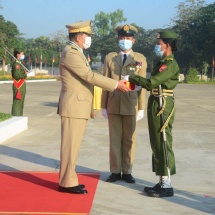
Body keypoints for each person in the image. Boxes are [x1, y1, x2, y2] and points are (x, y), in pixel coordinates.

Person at [57, 20, 130, 194]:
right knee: (70, 146)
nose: (89, 38)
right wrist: (115, 84)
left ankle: (69, 179)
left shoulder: (77, 52)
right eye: (88, 35)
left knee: (73, 146)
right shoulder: (71, 53)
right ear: (79, 36)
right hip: (73, 106)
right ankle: (66, 182)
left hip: (78, 106)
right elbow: (89, 76)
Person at [124, 31, 179, 197]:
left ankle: (167, 184)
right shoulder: (161, 63)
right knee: (156, 142)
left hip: (163, 104)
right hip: (156, 101)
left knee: (163, 141)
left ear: (167, 45)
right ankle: (162, 180)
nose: (157, 45)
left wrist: (133, 78)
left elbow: (151, 82)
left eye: (159, 42)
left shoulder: (170, 64)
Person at [101, 24, 147, 184]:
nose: (125, 41)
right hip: (113, 103)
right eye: (122, 38)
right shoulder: (110, 57)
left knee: (129, 139)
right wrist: (103, 105)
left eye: (128, 38)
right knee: (114, 139)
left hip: (131, 104)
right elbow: (105, 81)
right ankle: (115, 171)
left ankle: (127, 171)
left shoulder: (140, 59)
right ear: (118, 39)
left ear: (133, 40)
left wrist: (142, 107)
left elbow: (141, 85)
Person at [11, 50, 27, 116]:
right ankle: (15, 117)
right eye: (22, 53)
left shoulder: (20, 63)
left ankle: (19, 117)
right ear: (17, 54)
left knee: (21, 103)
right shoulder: (17, 64)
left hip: (21, 85)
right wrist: (25, 75)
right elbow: (16, 76)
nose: (23, 55)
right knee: (17, 103)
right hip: (18, 86)